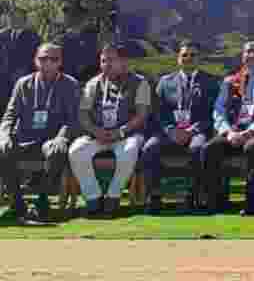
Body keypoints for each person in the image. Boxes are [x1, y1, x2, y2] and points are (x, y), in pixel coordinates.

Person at [0, 43, 80, 222]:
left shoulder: (70, 84)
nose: (48, 63)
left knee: (57, 150)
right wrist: (4, 135)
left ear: (60, 62)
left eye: (54, 59)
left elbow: (72, 120)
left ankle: (42, 202)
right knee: (2, 148)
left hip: (50, 140)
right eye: (43, 59)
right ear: (36, 61)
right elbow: (9, 116)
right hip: (25, 139)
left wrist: (61, 138)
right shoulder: (23, 83)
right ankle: (17, 203)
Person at [69, 43, 151, 218]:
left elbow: (141, 115)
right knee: (76, 150)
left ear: (123, 62)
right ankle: (93, 197)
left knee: (129, 150)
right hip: (98, 134)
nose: (106, 64)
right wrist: (95, 130)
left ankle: (113, 196)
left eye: (111, 60)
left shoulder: (139, 82)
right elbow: (83, 114)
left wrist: (120, 132)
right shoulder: (94, 83)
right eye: (103, 61)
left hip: (125, 135)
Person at [140, 42, 219, 214]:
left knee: (198, 148)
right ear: (178, 59)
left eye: (193, 55)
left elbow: (213, 113)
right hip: (169, 131)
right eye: (185, 55)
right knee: (149, 148)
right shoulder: (165, 82)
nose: (188, 58)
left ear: (199, 59)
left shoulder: (211, 82)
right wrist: (170, 130)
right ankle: (154, 197)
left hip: (197, 131)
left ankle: (193, 196)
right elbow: (158, 111)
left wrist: (192, 130)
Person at [201, 41, 254, 215]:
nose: (250, 55)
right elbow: (218, 111)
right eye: (247, 52)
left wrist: (249, 132)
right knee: (210, 148)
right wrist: (228, 132)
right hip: (233, 130)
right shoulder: (230, 81)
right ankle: (217, 201)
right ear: (242, 56)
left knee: (252, 147)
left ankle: (252, 202)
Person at [1, 8, 42, 112]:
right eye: (11, 17)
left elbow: (37, 60)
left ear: (24, 20)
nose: (13, 20)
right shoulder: (2, 35)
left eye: (16, 17)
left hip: (22, 81)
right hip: (3, 82)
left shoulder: (33, 37)